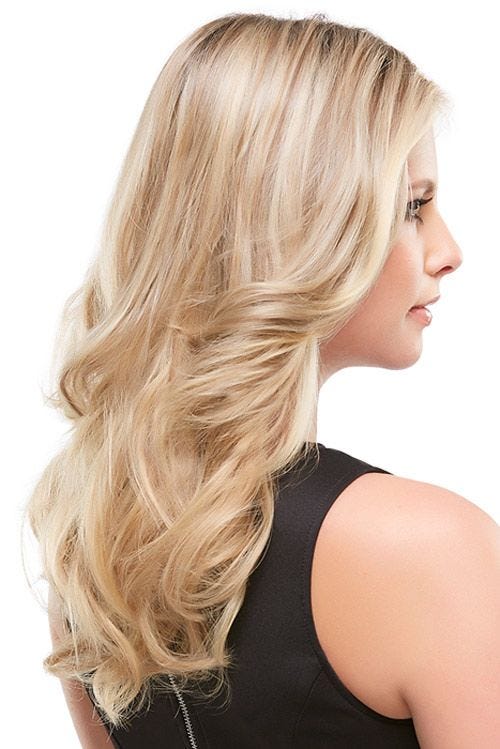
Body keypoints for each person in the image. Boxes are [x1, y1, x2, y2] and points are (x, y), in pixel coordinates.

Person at [24, 11, 500, 748]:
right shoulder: (429, 550)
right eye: (413, 207)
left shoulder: (90, 545)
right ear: (302, 227)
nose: (449, 250)